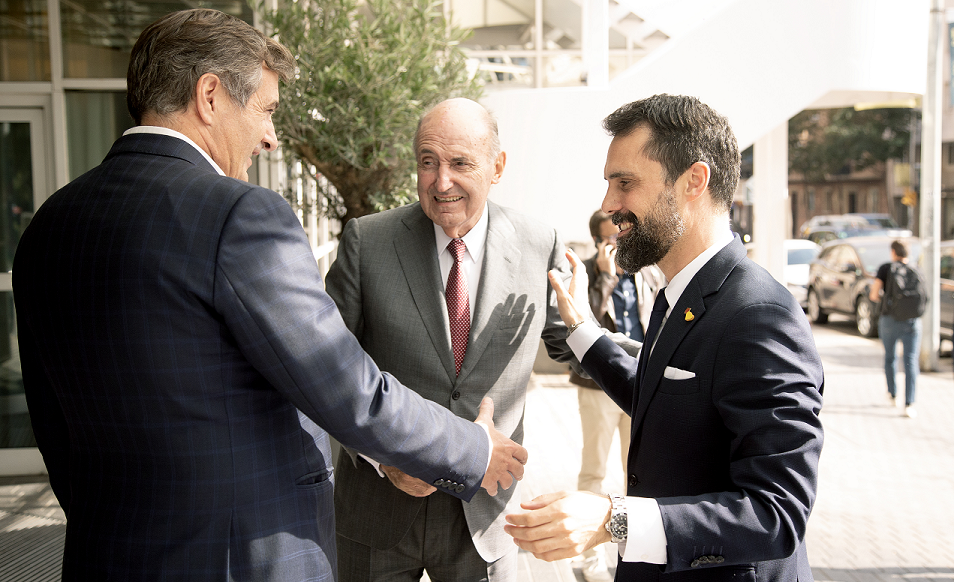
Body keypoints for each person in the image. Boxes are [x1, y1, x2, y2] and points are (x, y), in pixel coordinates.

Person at [12, 10, 527, 581]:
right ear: (210, 95)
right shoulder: (238, 214)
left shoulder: (47, 227)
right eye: (266, 109)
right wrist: (472, 447)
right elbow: (347, 387)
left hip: (105, 557)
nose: (270, 135)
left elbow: (52, 424)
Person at [505, 94, 825, 581]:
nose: (610, 206)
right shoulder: (677, 294)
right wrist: (583, 329)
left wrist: (614, 519)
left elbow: (776, 514)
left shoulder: (759, 314)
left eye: (625, 183)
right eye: (609, 184)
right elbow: (664, 400)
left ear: (694, 181)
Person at [325, 97, 580, 582]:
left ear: (497, 166)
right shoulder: (367, 241)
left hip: (483, 516)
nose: (441, 182)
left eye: (460, 163)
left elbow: (571, 348)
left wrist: (595, 326)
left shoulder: (538, 243)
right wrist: (385, 459)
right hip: (378, 507)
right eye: (428, 162)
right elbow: (325, 367)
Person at [569, 210, 664, 582]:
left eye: (622, 236)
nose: (619, 244)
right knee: (594, 470)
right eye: (610, 239)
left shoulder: (645, 271)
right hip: (598, 387)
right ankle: (589, 563)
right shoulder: (590, 272)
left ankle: (635, 557)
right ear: (596, 241)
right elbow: (582, 322)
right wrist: (605, 277)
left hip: (641, 384)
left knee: (638, 474)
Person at [869, 239, 923, 419]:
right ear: (908, 253)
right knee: (910, 360)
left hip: (890, 320)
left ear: (893, 252)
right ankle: (909, 403)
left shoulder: (886, 268)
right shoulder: (917, 269)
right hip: (912, 321)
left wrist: (885, 302)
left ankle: (892, 394)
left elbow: (874, 294)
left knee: (890, 357)